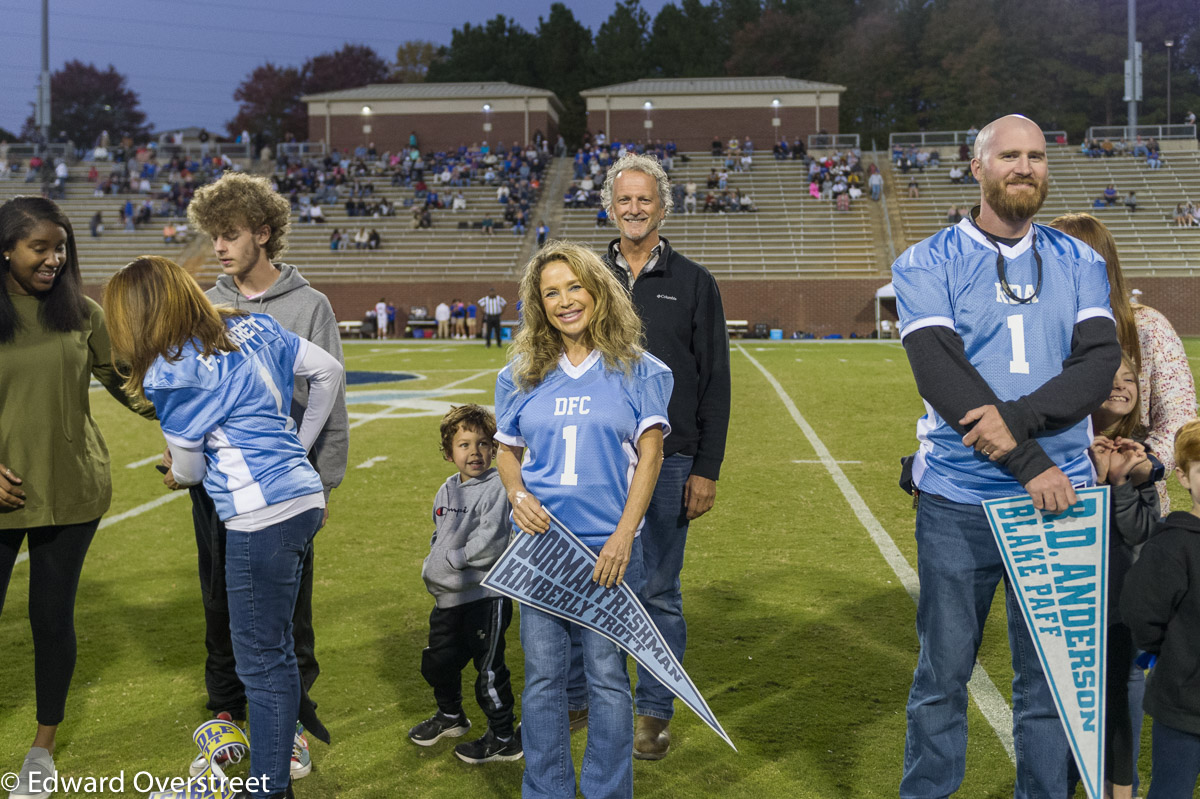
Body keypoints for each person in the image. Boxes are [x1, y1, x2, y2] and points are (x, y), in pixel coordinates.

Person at [892, 115, 1122, 798]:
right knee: (942, 675)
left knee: (1050, 682)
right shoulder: (926, 261)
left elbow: (1098, 364)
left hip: (1064, 501)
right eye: (1010, 156)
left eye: (1037, 156)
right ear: (978, 167)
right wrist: (1029, 464)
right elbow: (941, 374)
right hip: (960, 502)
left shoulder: (1080, 260)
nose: (1025, 167)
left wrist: (1017, 422)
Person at [104, 256, 342, 799]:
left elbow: (189, 470)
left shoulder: (173, 369)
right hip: (301, 498)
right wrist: (296, 451)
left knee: (260, 661)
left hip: (260, 514)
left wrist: (179, 473)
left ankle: (267, 787)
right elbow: (328, 371)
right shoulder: (252, 322)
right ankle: (272, 780)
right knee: (277, 649)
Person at [183, 172, 349, 783]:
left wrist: (315, 472)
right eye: (214, 237)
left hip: (283, 490)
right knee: (217, 604)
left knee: (288, 612)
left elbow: (330, 395)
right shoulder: (204, 304)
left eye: (229, 235)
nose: (220, 248)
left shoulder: (309, 305)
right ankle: (225, 722)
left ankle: (292, 726)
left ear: (263, 232)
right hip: (217, 484)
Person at [495, 241, 672, 799]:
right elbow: (506, 449)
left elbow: (651, 456)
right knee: (545, 681)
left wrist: (624, 535)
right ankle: (545, 791)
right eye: (551, 292)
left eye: (575, 287)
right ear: (538, 303)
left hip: (607, 549)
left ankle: (606, 791)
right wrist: (516, 490)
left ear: (598, 291)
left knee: (607, 679)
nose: (565, 300)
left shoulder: (639, 369)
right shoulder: (522, 372)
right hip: (542, 550)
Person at [0, 197, 156, 799]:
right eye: (40, 247)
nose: (53, 258)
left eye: (60, 247)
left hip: (72, 489)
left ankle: (42, 749)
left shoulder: (81, 312)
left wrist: (198, 425)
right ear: (6, 249)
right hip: (3, 494)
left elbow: (131, 386)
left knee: (51, 618)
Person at [596, 153, 731, 760]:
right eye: (624, 200)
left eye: (644, 199)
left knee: (659, 590)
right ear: (609, 205)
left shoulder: (696, 281)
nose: (634, 209)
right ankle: (586, 695)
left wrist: (706, 467)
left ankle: (653, 710)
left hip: (673, 458)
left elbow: (716, 381)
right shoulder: (583, 275)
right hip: (596, 459)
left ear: (662, 206)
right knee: (589, 581)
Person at [1050, 213, 1197, 512]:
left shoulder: (1147, 326)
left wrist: (1144, 464)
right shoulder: (1032, 327)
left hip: (1132, 500)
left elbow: (1178, 417)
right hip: (1052, 489)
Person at [1069, 354, 1162, 799]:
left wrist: (1120, 484)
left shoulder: (1137, 454)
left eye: (1130, 380)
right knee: (1070, 698)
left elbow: (1141, 529)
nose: (1122, 386)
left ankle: (1120, 791)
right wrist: (1094, 482)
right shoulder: (1065, 448)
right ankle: (1068, 782)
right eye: (1109, 379)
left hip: (1122, 602)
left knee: (1123, 696)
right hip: (1072, 595)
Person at [408, 405, 520, 764]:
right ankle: (451, 716)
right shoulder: (446, 489)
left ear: (494, 448)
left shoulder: (497, 487)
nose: (475, 452)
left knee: (488, 672)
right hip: (446, 599)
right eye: (464, 444)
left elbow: (492, 539)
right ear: (448, 452)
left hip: (485, 598)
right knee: (438, 663)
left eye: (484, 443)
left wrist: (454, 560)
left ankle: (504, 736)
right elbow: (440, 532)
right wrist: (435, 561)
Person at [1122, 419, 1200, 798]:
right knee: (1172, 789)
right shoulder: (1172, 546)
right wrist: (1173, 655)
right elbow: (1142, 612)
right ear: (1184, 477)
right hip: (1184, 705)